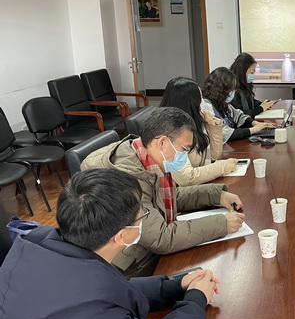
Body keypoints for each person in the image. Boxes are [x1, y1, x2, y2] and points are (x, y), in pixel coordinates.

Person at [0, 168, 234, 319]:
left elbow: (107, 293)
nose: (143, 220)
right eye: (142, 216)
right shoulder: (87, 317)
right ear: (122, 235)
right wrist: (196, 299)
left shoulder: (43, 246)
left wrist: (173, 286)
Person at [81, 106, 245, 278]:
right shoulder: (127, 179)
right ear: (162, 142)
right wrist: (222, 224)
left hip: (145, 252)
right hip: (128, 269)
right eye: (184, 149)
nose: (185, 156)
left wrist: (217, 195)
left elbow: (169, 197)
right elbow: (161, 238)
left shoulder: (143, 154)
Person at [160, 77, 238, 186]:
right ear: (189, 103)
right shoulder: (170, 132)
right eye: (200, 98)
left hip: (197, 186)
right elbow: (186, 178)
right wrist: (223, 167)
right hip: (179, 192)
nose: (203, 102)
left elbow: (214, 156)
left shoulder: (193, 122)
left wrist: (211, 124)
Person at [201, 67, 274, 141]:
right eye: (231, 89)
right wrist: (252, 130)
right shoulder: (207, 106)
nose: (234, 91)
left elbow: (239, 116)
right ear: (221, 89)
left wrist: (254, 123)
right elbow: (223, 133)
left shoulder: (223, 103)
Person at [230, 52, 276, 117]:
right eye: (252, 72)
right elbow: (241, 115)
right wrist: (261, 108)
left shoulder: (244, 85)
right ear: (242, 71)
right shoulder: (233, 90)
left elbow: (250, 101)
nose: (253, 75)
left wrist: (263, 104)